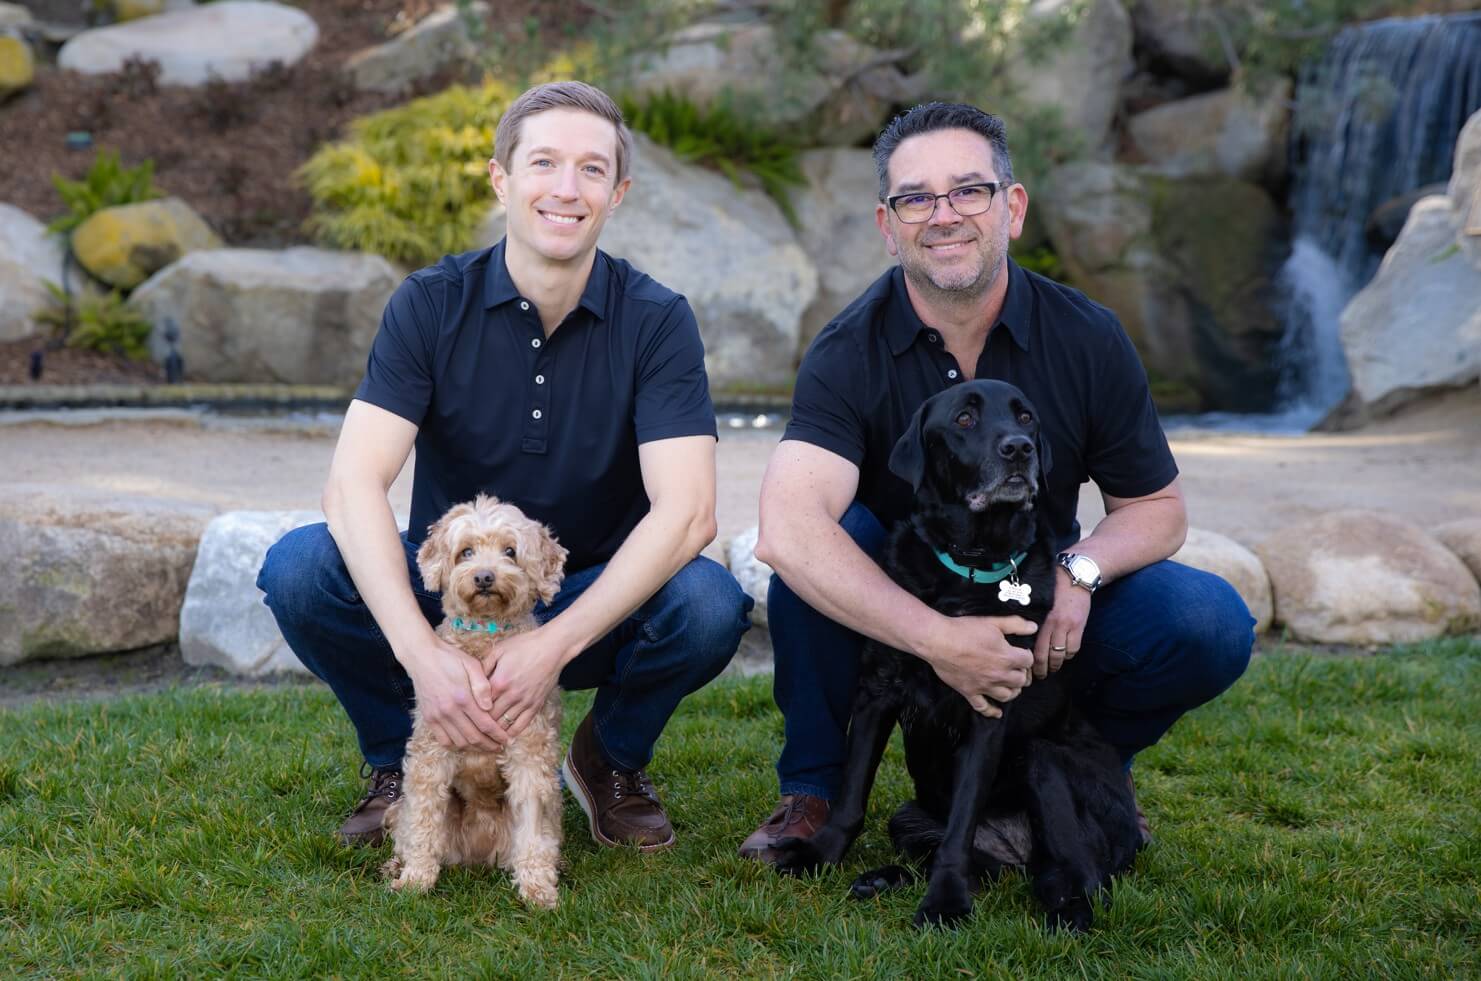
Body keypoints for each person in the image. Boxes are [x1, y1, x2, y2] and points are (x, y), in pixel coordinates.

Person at [738, 102, 1254, 863]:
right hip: (908, 591)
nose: (942, 215)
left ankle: (1079, 777)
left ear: (1010, 207)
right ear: (888, 224)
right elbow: (787, 526)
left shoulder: (1086, 336)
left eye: (967, 191)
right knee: (822, 549)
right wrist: (936, 638)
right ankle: (812, 792)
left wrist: (1078, 573)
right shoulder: (848, 349)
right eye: (916, 197)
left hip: (1030, 583)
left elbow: (1155, 509)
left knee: (1204, 618)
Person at [257, 80, 752, 853]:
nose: (565, 188)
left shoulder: (656, 319)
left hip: (586, 600)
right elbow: (351, 484)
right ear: (501, 178)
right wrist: (426, 656)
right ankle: (405, 756)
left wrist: (547, 644)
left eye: (591, 170)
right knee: (299, 568)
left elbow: (687, 510)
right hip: (449, 603)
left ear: (617, 193)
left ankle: (608, 759)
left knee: (707, 601)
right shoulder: (429, 303)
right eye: (544, 162)